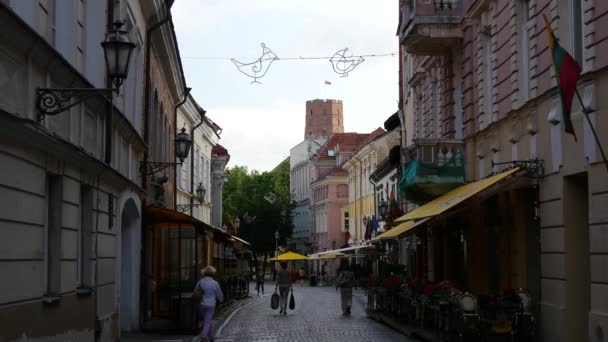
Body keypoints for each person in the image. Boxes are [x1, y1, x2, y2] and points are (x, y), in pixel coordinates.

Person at [193, 266, 224, 342]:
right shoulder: (215, 283)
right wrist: (221, 300)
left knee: (207, 320)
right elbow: (219, 294)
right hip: (211, 305)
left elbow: (195, 291)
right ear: (213, 274)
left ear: (204, 273)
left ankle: (211, 337)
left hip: (201, 304)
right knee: (207, 320)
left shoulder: (200, 282)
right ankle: (204, 335)